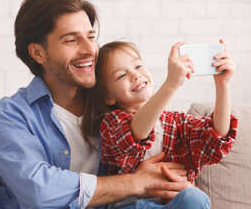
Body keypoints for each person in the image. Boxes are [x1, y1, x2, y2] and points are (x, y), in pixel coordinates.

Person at [0, 0, 209, 209]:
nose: (90, 49)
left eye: (91, 36)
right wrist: (133, 183)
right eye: (71, 40)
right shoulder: (11, 116)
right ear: (38, 53)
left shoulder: (115, 100)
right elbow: (39, 191)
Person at [82, 41, 238, 208]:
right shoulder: (112, 124)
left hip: (172, 203)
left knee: (195, 197)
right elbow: (136, 132)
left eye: (138, 66)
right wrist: (170, 84)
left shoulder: (177, 122)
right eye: (121, 75)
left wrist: (222, 86)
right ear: (108, 98)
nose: (135, 76)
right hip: (130, 205)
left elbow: (216, 138)